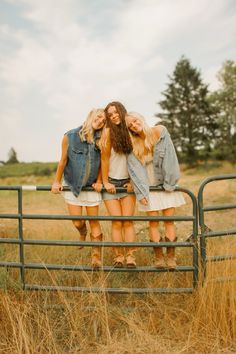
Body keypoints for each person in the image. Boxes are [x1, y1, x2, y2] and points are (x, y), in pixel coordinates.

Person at [126, 112, 185, 269]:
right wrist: (140, 191)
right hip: (147, 185)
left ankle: (171, 258)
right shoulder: (133, 144)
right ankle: (159, 258)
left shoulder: (159, 131)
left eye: (135, 121)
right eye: (130, 125)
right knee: (153, 222)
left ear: (141, 118)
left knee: (169, 221)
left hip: (165, 182)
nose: (133, 125)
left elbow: (171, 158)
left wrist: (170, 183)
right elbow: (135, 170)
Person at [51, 108, 106, 268]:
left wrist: (99, 180)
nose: (101, 120)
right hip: (72, 184)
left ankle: (96, 258)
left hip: (91, 187)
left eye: (104, 121)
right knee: (77, 222)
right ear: (91, 115)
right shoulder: (70, 136)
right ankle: (82, 232)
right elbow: (62, 161)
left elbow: (103, 162)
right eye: (99, 116)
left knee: (94, 222)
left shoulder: (101, 139)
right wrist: (56, 181)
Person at [100, 101, 137, 268]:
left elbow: (137, 160)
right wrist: (105, 182)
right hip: (112, 183)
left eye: (115, 112)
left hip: (128, 183)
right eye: (110, 114)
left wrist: (132, 180)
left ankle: (130, 256)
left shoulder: (131, 131)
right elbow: (105, 158)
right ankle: (119, 257)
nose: (114, 116)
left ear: (122, 111)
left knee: (128, 221)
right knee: (117, 222)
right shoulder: (108, 132)